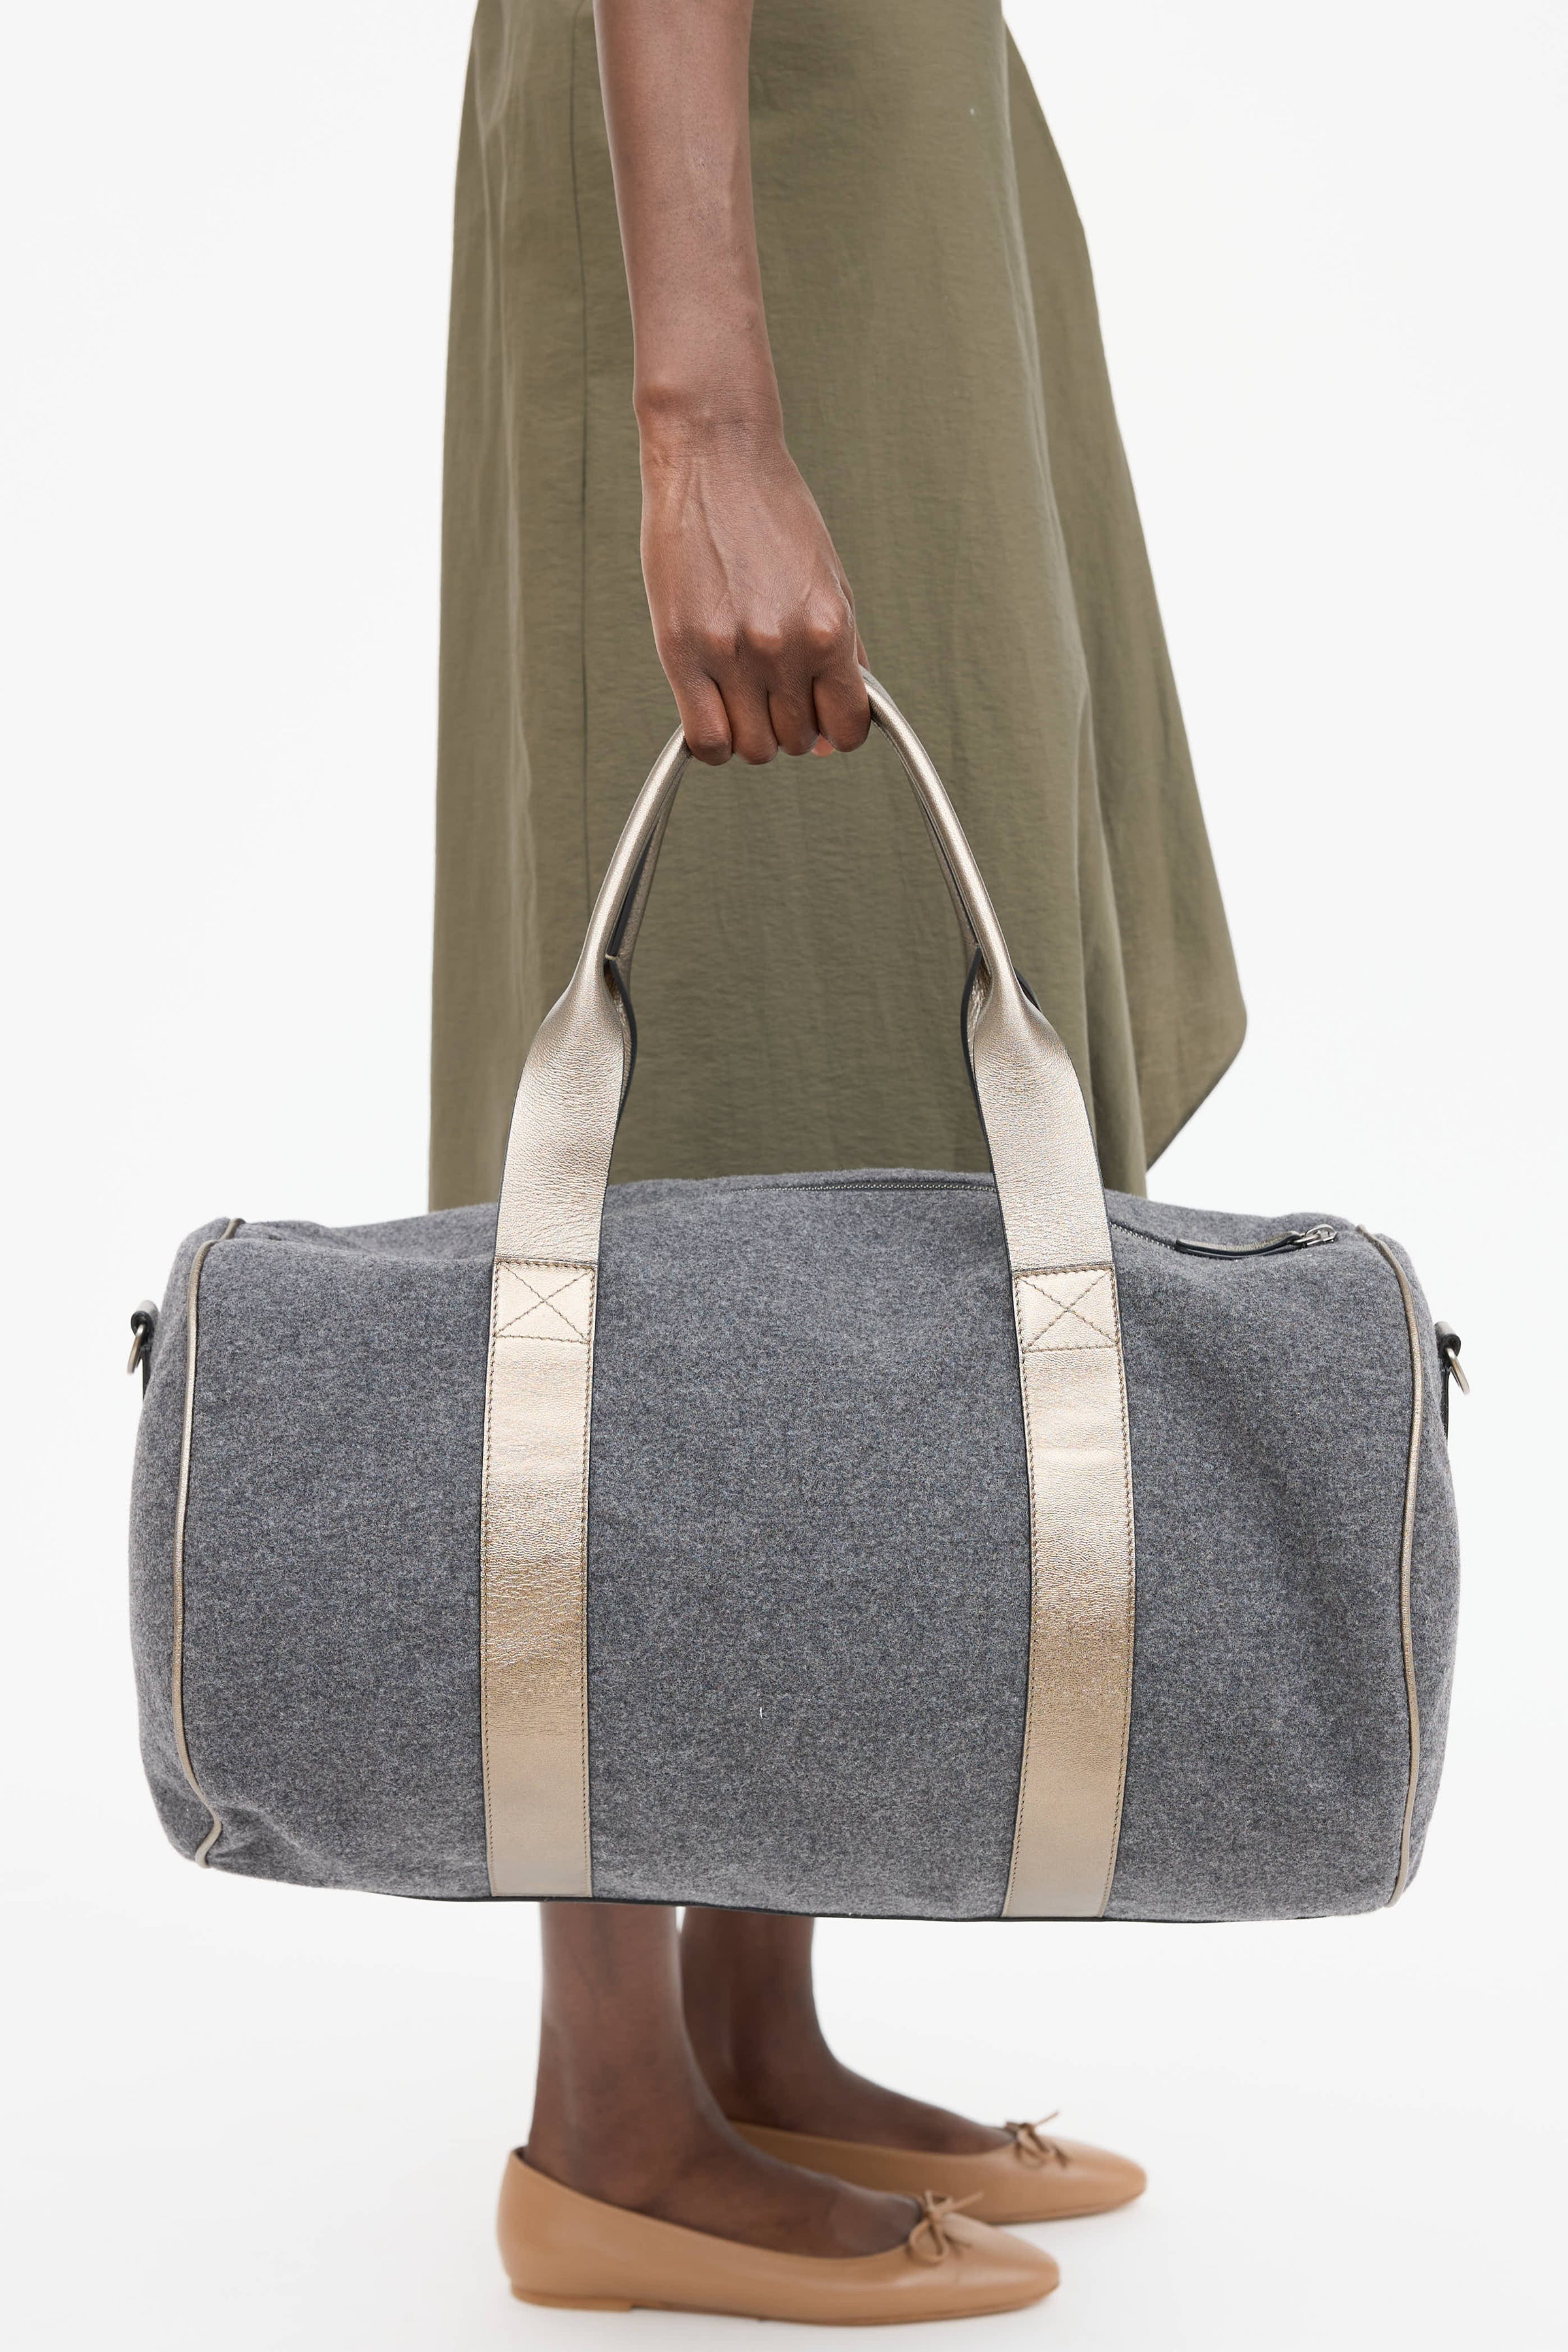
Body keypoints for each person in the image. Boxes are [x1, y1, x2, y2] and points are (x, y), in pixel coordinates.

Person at [431, 0, 1245, 2322]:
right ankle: (607, 2113)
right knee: (676, 1110)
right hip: (726, 160)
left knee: (849, 1052)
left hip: (889, 160)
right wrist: (702, 420)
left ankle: (747, 2028)